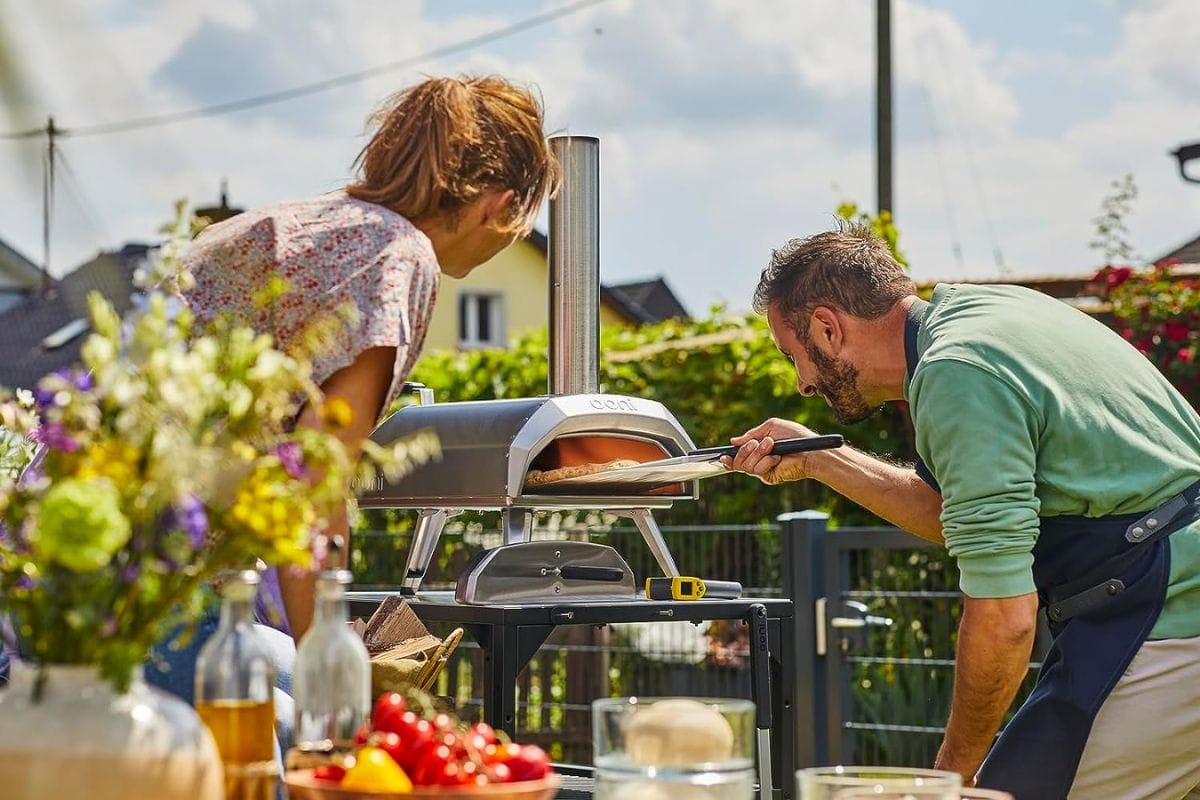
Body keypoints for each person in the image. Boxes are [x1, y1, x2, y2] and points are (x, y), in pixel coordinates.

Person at [144, 74, 559, 744]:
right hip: (135, 591)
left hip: (66, 572)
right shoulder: (397, 256)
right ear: (501, 204)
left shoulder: (314, 224)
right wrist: (328, 677)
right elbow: (315, 482)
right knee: (298, 736)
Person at [725, 222, 1200, 799]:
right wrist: (822, 459)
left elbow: (1005, 614)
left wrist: (947, 778)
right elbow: (949, 513)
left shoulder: (956, 373)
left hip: (1174, 614)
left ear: (826, 328)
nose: (801, 383)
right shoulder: (983, 317)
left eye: (791, 354)